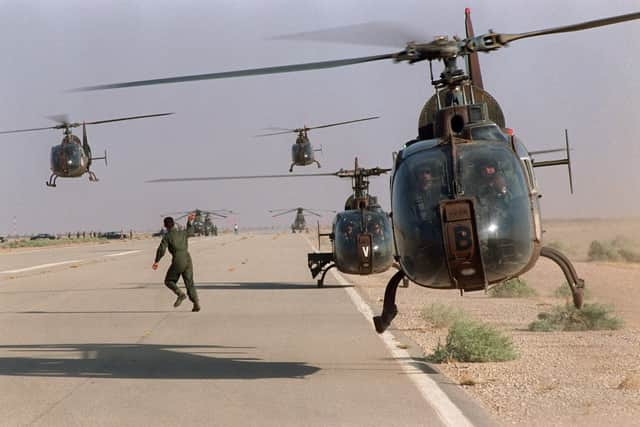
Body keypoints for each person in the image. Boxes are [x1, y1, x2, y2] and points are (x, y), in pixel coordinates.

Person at [152, 212, 200, 312]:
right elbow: (191, 232)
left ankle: (180, 294)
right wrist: (189, 221)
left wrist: (156, 261)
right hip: (187, 259)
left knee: (168, 281)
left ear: (165, 226)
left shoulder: (167, 236)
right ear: (174, 224)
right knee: (190, 283)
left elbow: (161, 249)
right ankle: (196, 303)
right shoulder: (182, 233)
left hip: (178, 260)